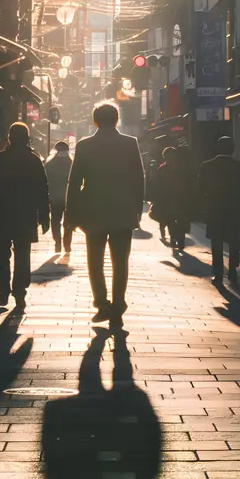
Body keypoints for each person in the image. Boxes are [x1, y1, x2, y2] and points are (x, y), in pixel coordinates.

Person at [65, 102, 145, 327]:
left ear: (95, 120)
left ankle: (101, 303)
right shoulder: (130, 144)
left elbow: (74, 182)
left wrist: (70, 214)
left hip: (93, 211)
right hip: (123, 210)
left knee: (95, 259)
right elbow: (139, 179)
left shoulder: (85, 146)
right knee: (121, 261)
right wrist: (136, 210)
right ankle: (118, 304)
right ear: (117, 120)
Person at [0, 122, 50, 310]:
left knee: (1, 254)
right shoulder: (33, 160)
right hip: (25, 215)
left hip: (0, 215)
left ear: (9, 138)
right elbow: (42, 190)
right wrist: (45, 216)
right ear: (27, 139)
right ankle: (19, 291)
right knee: (22, 254)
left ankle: (4, 288)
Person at [198, 136, 240, 286]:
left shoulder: (207, 165)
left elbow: (201, 188)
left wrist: (203, 206)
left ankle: (218, 274)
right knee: (233, 242)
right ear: (233, 150)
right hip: (234, 210)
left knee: (216, 242)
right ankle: (232, 271)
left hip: (214, 209)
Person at [153, 147, 188, 249]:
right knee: (181, 219)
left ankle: (173, 238)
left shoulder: (162, 169)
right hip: (180, 198)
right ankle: (181, 240)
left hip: (167, 200)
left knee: (170, 220)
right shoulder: (182, 168)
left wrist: (157, 200)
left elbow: (157, 186)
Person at [45, 141, 74, 254]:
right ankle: (67, 244)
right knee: (68, 221)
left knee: (55, 220)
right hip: (69, 198)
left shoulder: (49, 164)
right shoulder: (73, 163)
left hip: (54, 197)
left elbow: (45, 181)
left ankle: (57, 242)